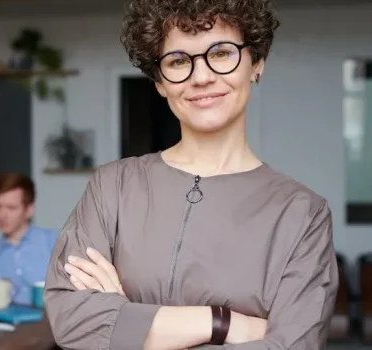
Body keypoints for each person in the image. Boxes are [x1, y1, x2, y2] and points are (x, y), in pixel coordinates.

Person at [44, 1, 338, 349]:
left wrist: (126, 323)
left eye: (222, 53)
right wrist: (222, 323)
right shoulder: (113, 187)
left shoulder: (302, 214)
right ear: (160, 82)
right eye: (179, 61)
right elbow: (72, 320)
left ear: (256, 63)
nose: (201, 77)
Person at [0, 173, 58, 305]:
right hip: (6, 324)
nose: (2, 215)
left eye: (11, 208)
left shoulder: (54, 242)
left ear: (29, 210)